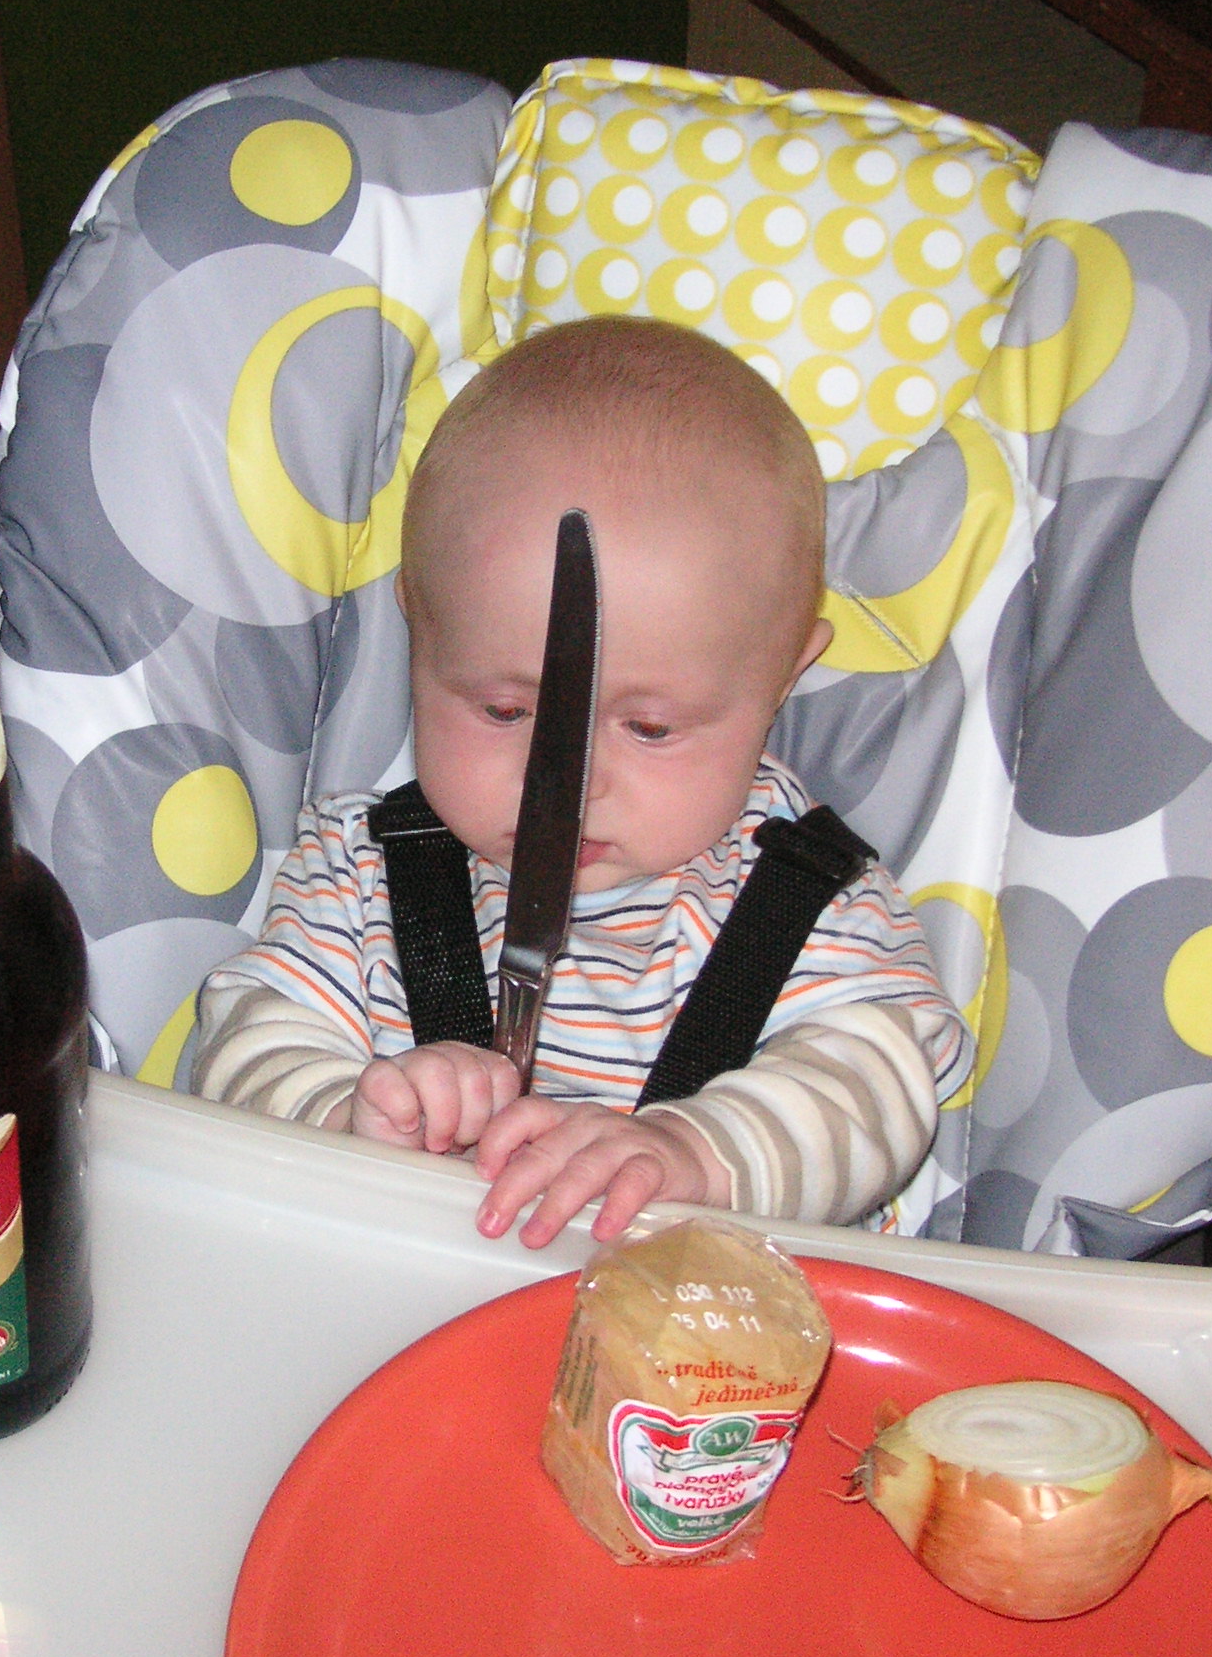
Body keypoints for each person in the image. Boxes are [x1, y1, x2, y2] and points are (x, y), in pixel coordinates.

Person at [190, 316, 972, 1250]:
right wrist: (345, 1120)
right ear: (419, 631)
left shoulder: (808, 902)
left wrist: (696, 1154)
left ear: (780, 680)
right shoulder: (358, 875)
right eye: (504, 709)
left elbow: (873, 1091)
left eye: (651, 728)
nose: (566, 784)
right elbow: (244, 1047)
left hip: (702, 1328)